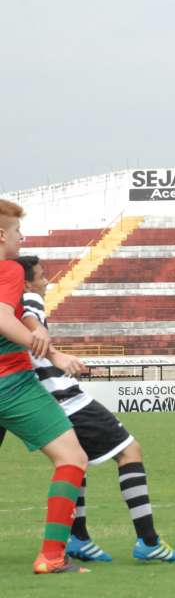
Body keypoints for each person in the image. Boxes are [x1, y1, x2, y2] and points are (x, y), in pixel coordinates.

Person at [16, 256, 175, 563]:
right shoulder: (30, 298)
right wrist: (53, 351)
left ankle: (78, 538)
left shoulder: (9, 303)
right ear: (27, 282)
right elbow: (30, 319)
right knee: (130, 451)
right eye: (41, 276)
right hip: (65, 398)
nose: (46, 282)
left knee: (74, 462)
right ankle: (148, 541)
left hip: (39, 399)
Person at [0, 199, 89, 574]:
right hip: (11, 384)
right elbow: (2, 318)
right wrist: (50, 353)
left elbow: (16, 315)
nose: (22, 238)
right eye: (18, 232)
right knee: (72, 458)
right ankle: (52, 556)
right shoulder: (8, 268)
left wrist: (39, 334)